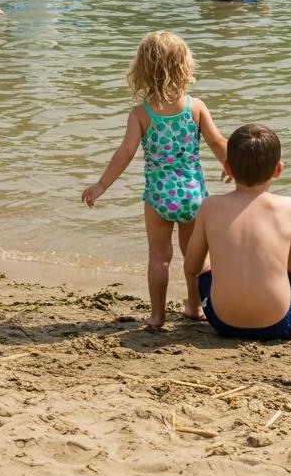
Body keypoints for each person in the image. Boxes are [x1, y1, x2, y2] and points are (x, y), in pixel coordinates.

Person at [81, 31, 229, 327]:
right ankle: (194, 306)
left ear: (142, 71)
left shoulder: (141, 114)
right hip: (193, 195)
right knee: (195, 258)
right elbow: (216, 141)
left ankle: (158, 315)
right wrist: (230, 165)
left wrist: (101, 186)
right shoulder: (195, 107)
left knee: (159, 258)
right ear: (185, 66)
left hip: (159, 196)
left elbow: (124, 153)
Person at [183, 123, 291, 340]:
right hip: (279, 324)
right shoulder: (290, 207)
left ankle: (200, 306)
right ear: (278, 169)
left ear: (227, 167)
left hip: (222, 322)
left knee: (206, 260)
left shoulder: (210, 206)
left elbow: (192, 267)